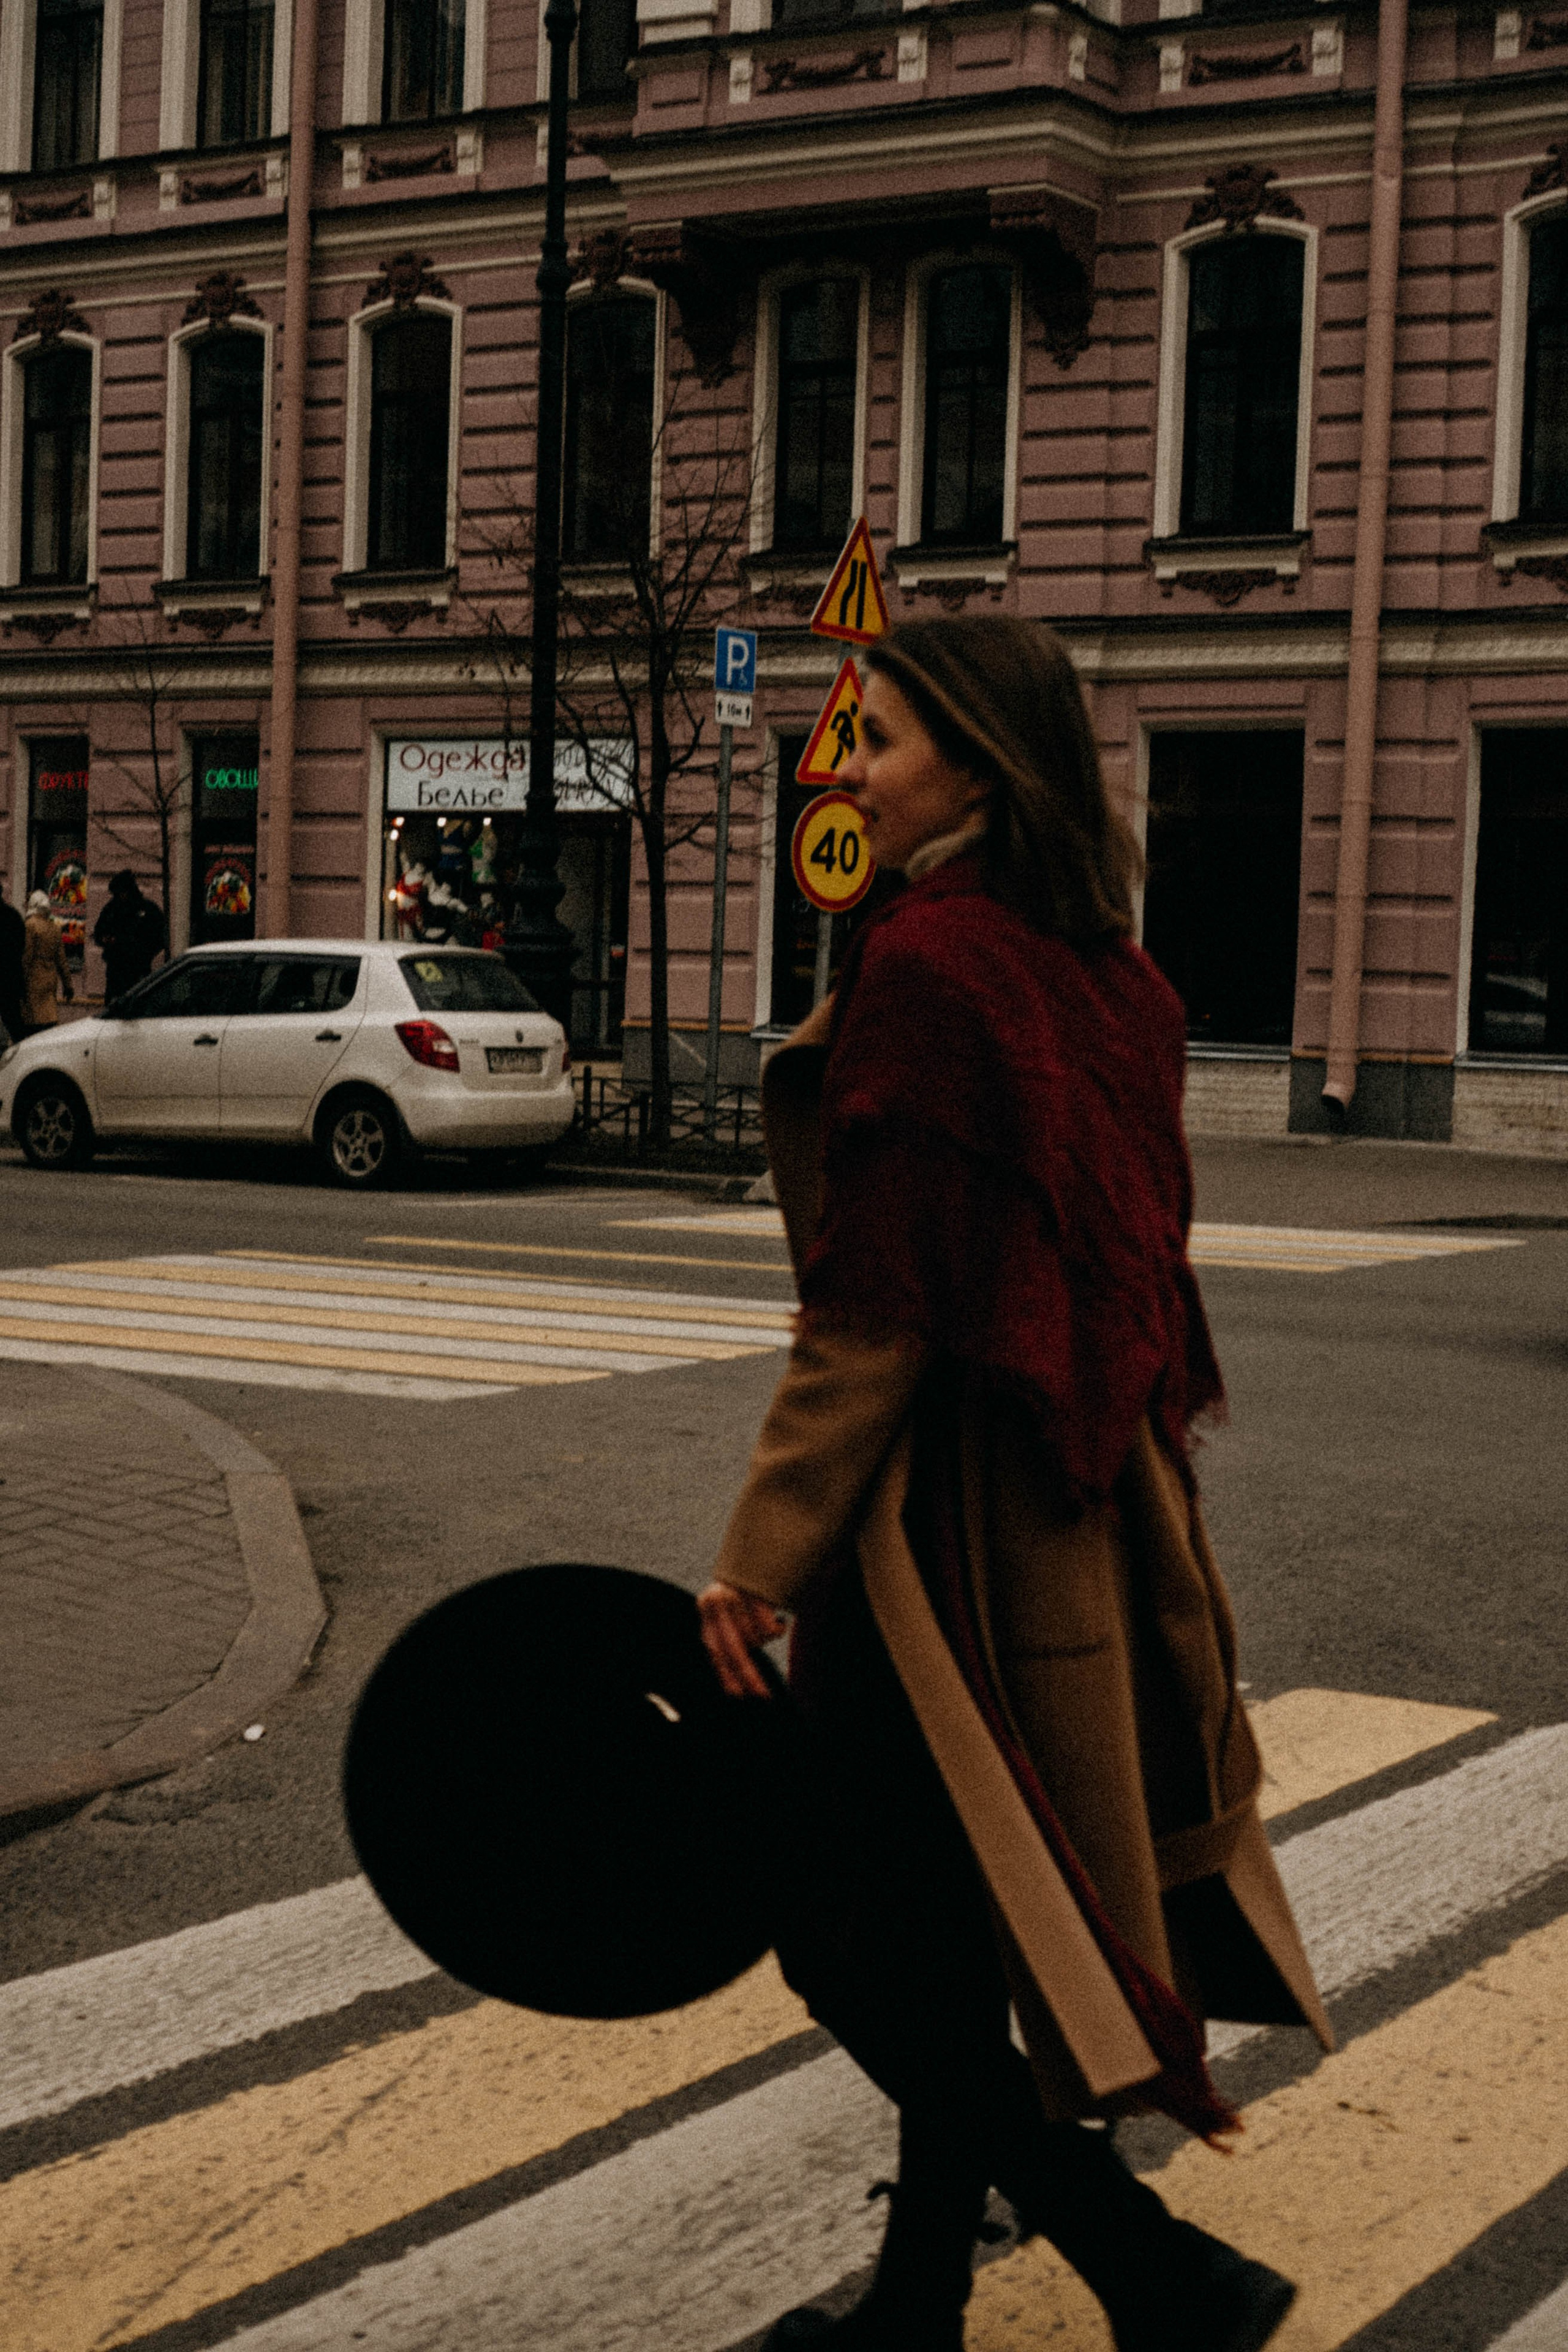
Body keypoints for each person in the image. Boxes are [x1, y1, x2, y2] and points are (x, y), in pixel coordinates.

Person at [698, 618, 1330, 2352]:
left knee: (843, 1931)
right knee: (939, 1919)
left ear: (975, 763)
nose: (853, 767)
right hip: (1092, 1502)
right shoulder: (1111, 970)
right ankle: (918, 2315)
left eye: (883, 739)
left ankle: (1158, 2271)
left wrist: (760, 1556)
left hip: (944, 1544)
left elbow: (877, 1312)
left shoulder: (939, 966)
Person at [92, 869, 165, 1003]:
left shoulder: (147, 910)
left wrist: (144, 954)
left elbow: (160, 937)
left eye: (123, 893)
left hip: (138, 970)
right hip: (116, 969)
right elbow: (98, 933)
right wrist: (106, 940)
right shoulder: (111, 909)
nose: (121, 897)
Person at [20, 891, 74, 1033]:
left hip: (34, 980)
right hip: (50, 979)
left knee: (33, 1021)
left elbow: (27, 957)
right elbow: (62, 960)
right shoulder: (54, 929)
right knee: (48, 1018)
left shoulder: (30, 926)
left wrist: (19, 981)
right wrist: (68, 985)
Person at [0, 875, 24, 1046]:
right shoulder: (13, 916)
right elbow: (21, 946)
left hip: (8, 976)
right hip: (10, 977)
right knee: (14, 1021)